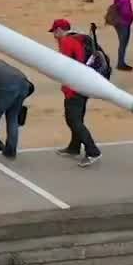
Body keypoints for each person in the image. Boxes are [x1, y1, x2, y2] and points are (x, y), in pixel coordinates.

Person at [50, 19, 101, 167]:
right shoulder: (77, 39)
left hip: (74, 88)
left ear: (60, 29)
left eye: (54, 31)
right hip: (82, 85)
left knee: (73, 120)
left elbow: (64, 66)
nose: (54, 35)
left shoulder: (67, 42)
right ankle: (74, 147)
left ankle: (93, 151)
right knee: (76, 119)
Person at [107, 0, 133, 71]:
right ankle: (121, 63)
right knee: (123, 43)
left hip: (118, 22)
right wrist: (132, 16)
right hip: (124, 22)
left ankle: (121, 62)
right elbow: (126, 12)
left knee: (122, 43)